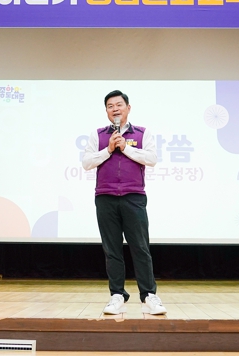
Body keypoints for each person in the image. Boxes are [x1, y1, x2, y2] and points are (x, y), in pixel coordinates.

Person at [82, 90, 167, 315]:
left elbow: (152, 159)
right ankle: (117, 295)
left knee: (140, 247)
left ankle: (148, 295)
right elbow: (86, 163)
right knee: (112, 249)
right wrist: (109, 149)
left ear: (128, 108)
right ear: (106, 111)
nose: (115, 109)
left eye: (119, 105)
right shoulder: (98, 135)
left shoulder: (142, 133)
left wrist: (126, 148)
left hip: (133, 196)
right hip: (105, 197)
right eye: (110, 106)